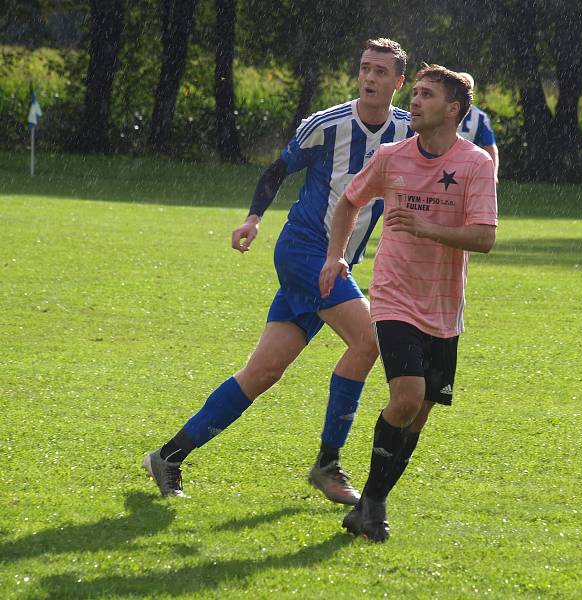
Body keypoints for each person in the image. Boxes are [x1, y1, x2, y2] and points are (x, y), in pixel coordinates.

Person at [142, 38, 414, 504]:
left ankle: (168, 455)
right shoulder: (328, 125)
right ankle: (328, 465)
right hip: (306, 252)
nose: (369, 78)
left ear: (398, 82)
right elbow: (276, 170)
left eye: (380, 71)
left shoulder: (407, 131)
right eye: (364, 68)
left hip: (337, 262)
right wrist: (253, 217)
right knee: (370, 338)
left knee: (262, 372)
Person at [319, 65, 498, 541]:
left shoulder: (476, 164)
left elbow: (483, 238)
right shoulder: (391, 156)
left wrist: (428, 229)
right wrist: (336, 256)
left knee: (418, 415)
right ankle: (375, 506)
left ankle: (368, 505)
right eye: (414, 92)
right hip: (394, 297)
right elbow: (348, 202)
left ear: (453, 109)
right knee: (407, 397)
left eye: (426, 95)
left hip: (444, 307)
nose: (414, 102)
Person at [457, 72, 499, 183]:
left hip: (468, 165)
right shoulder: (479, 116)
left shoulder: (480, 117)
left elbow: (490, 146)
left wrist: (493, 173)